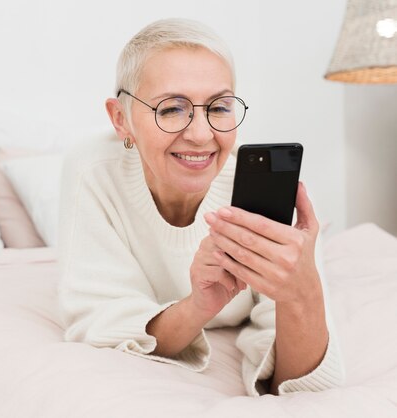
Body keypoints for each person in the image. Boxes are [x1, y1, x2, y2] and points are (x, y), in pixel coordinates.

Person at [57, 18, 344, 396]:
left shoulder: (267, 187)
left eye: (219, 107)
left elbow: (299, 385)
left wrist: (302, 291)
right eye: (171, 109)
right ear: (120, 119)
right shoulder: (93, 170)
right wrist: (197, 307)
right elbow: (102, 321)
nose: (201, 135)